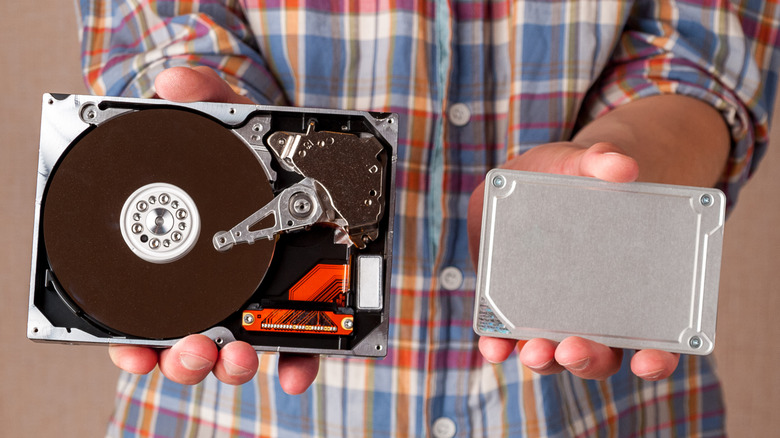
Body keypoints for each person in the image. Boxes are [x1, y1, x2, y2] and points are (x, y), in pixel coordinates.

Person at [78, 0, 779, 436]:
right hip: (245, 413)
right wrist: (216, 129)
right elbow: (163, 39)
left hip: (590, 411)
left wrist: (619, 162)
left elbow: (700, 57)